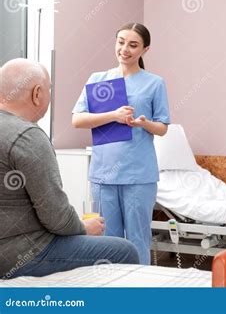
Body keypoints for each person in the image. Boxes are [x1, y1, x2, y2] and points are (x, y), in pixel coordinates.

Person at [0, 58, 139, 279]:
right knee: (125, 250)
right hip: (16, 254)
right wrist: (84, 227)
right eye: (49, 90)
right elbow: (57, 218)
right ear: (37, 94)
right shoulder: (27, 136)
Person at [72, 23, 170, 265]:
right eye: (121, 42)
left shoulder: (154, 83)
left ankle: (139, 294)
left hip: (138, 175)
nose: (125, 49)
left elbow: (163, 127)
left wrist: (144, 124)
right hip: (103, 175)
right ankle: (111, 294)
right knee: (105, 240)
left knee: (138, 239)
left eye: (133, 45)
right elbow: (77, 120)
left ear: (145, 50)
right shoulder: (98, 80)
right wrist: (113, 116)